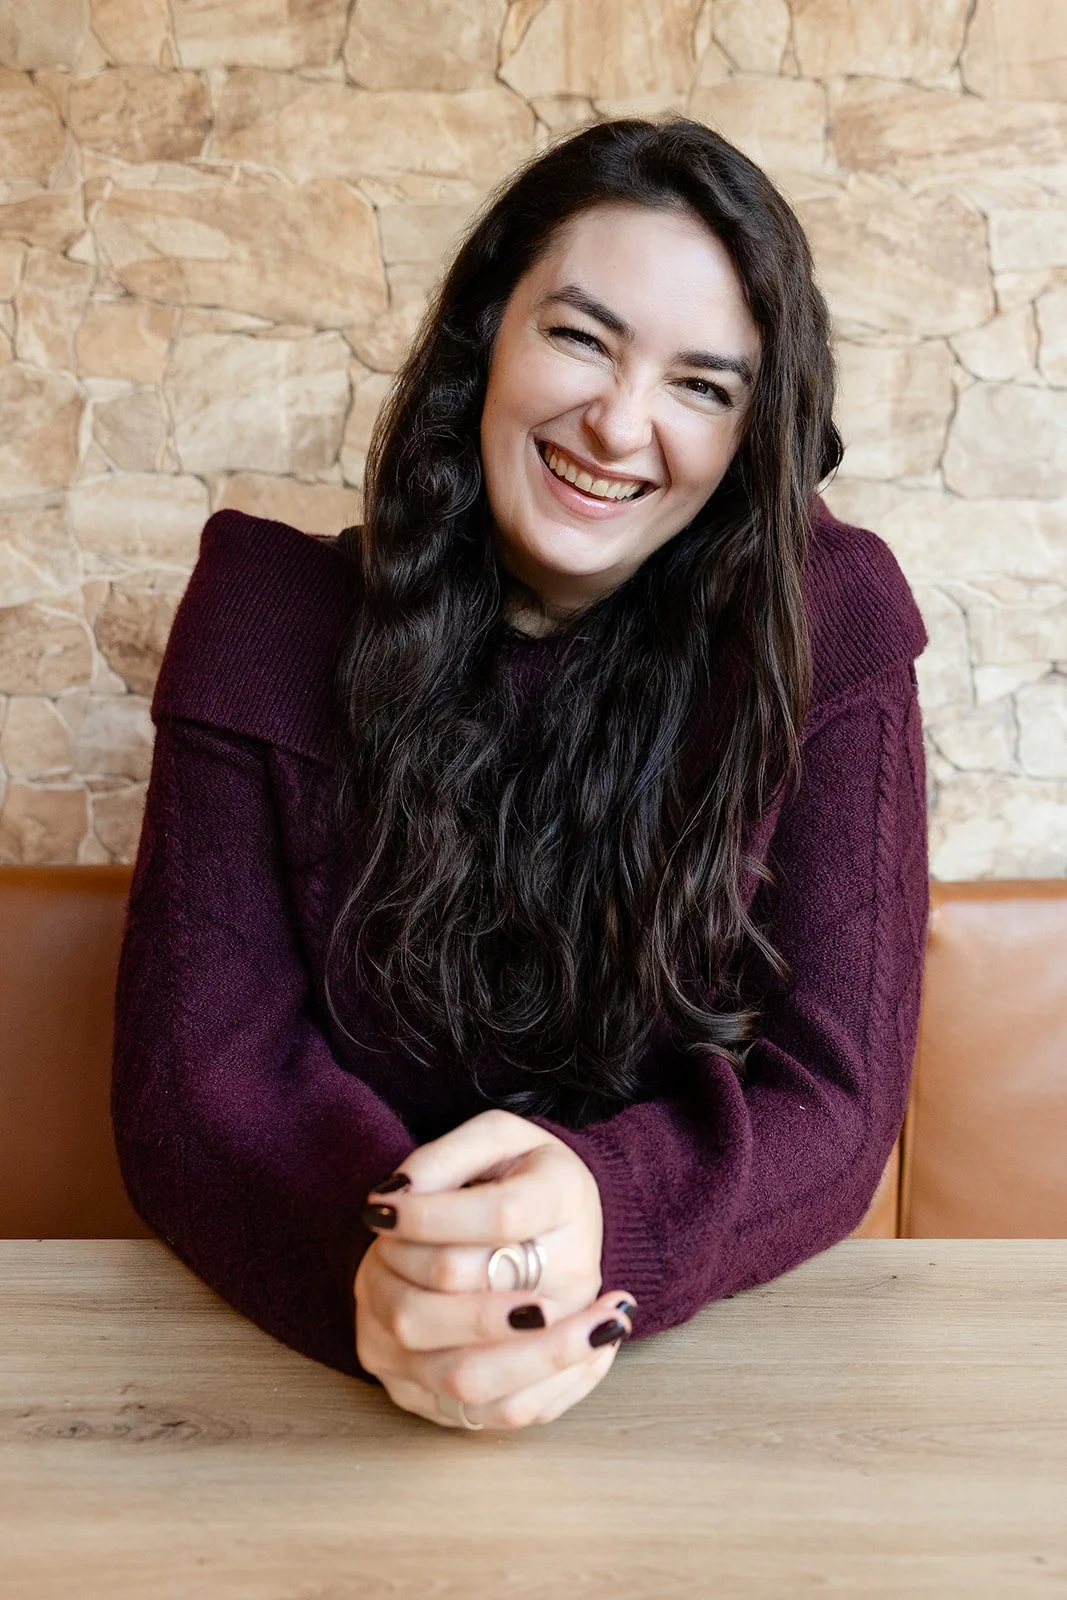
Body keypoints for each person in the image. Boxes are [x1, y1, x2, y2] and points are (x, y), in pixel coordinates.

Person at [111, 116, 929, 1432]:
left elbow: (832, 1101)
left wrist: (602, 1213)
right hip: (302, 1396)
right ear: (484, 332)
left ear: (747, 441)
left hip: (701, 1401)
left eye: (702, 387)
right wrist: (393, 1272)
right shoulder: (264, 624)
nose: (618, 420)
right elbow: (196, 1085)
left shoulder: (826, 629)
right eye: (577, 335)